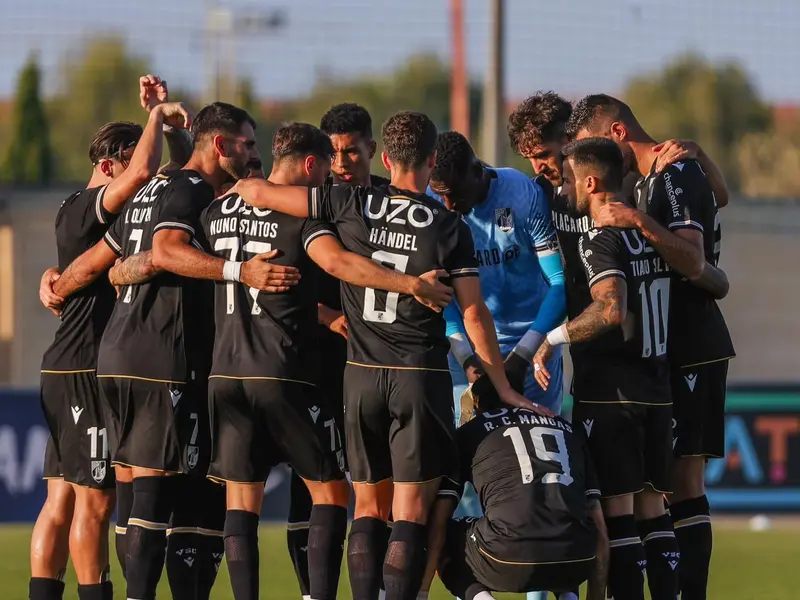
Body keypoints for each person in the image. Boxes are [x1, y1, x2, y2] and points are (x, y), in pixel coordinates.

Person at [231, 110, 545, 600]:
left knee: (368, 510)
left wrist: (242, 186)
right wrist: (501, 385)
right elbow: (475, 313)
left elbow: (258, 193)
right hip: (417, 378)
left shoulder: (349, 200)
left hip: (359, 377)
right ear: (431, 159)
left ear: (386, 156)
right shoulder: (447, 226)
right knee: (410, 513)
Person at [201, 122, 454, 600]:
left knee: (241, 501)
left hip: (224, 369)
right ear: (312, 164)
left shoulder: (219, 210)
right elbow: (338, 264)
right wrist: (411, 284)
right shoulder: (304, 216)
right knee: (334, 493)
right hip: (282, 370)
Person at [48, 102, 290, 600]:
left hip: (114, 357)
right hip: (163, 356)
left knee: (133, 492)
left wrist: (57, 288)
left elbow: (107, 266)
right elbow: (165, 250)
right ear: (220, 147)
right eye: (246, 143)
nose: (253, 153)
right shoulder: (193, 189)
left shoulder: (151, 191)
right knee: (155, 499)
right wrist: (239, 270)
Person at [565, 94, 735, 600]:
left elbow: (693, 258)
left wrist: (640, 222)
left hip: (694, 344)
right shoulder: (648, 178)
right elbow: (719, 197)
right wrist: (702, 153)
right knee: (651, 494)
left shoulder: (670, 174)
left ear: (616, 134)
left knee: (682, 486)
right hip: (662, 354)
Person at [31, 77, 191, 600]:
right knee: (94, 503)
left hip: (64, 365)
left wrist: (165, 127)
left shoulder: (74, 207)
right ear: (107, 166)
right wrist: (154, 117)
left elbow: (173, 173)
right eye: (127, 165)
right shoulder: (92, 203)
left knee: (59, 501)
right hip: (81, 369)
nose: (138, 182)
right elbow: (145, 172)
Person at [532, 137, 678, 600]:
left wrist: (553, 341)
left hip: (612, 393)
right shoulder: (650, 230)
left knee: (617, 514)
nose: (564, 185)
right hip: (658, 387)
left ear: (590, 182)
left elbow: (611, 309)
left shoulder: (601, 236)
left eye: (570, 177)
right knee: (654, 509)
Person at [282, 103, 391, 600]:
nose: (343, 161)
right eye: (334, 153)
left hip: (381, 369)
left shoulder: (393, 205)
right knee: (315, 489)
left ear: (373, 150)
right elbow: (281, 290)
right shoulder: (311, 204)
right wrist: (328, 317)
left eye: (352, 151)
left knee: (379, 492)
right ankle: (311, 591)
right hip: (319, 367)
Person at [428, 131, 566, 414]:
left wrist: (524, 355)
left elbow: (559, 283)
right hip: (468, 352)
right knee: (469, 451)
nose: (449, 206)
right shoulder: (433, 205)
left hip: (531, 348)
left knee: (543, 448)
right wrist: (467, 359)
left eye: (455, 194)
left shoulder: (523, 195)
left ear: (479, 172)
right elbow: (439, 292)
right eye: (442, 196)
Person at [437, 382, 608, 600]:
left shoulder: (472, 431)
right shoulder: (568, 429)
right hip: (576, 560)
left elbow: (440, 516)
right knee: (562, 521)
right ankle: (569, 597)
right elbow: (599, 523)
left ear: (478, 404)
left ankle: (480, 598)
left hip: (508, 560)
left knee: (445, 533)